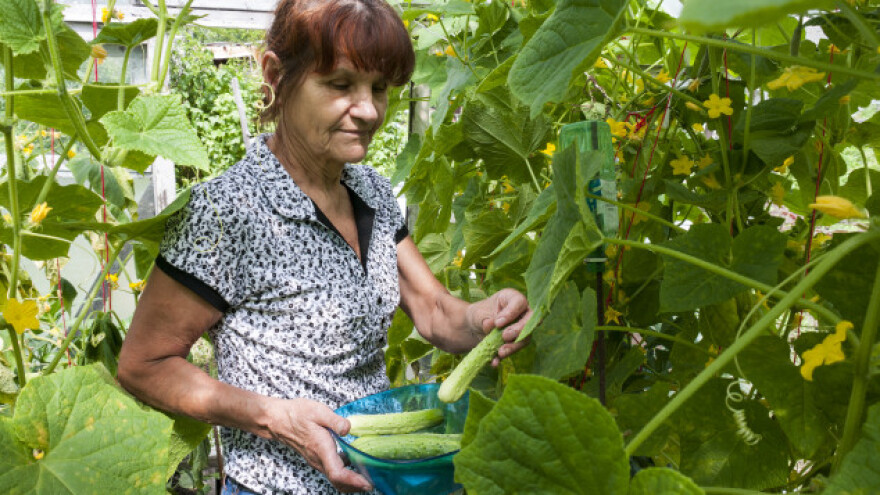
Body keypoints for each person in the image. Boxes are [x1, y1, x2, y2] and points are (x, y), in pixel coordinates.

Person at [117, 1, 532, 493]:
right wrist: (275, 418)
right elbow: (144, 365)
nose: (369, 109)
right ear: (276, 76)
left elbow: (434, 309)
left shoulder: (372, 193)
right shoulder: (227, 211)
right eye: (340, 84)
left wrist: (483, 318)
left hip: (376, 480)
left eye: (379, 87)